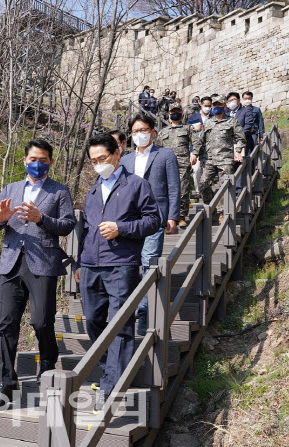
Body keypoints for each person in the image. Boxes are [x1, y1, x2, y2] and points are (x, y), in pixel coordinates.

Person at [74, 133, 161, 411]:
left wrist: (121, 229)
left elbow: (153, 221)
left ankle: (111, 386)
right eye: (93, 161)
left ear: (117, 154)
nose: (98, 164)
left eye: (102, 158)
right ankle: (109, 366)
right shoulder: (92, 191)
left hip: (122, 263)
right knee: (93, 321)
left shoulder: (137, 185)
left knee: (121, 324)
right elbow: (85, 231)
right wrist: (79, 263)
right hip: (90, 265)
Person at [0, 139, 76, 408]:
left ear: (50, 162)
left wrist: (41, 219)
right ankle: (5, 384)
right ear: (25, 160)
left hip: (44, 263)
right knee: (5, 324)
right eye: (33, 159)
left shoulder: (59, 192)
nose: (38, 164)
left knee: (41, 321)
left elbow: (68, 225)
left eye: (44, 160)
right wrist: (1, 219)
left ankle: (47, 358)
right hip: (12, 262)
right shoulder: (11, 188)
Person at [120, 113, 180, 336]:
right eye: (135, 131)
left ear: (153, 131)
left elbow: (174, 187)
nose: (139, 134)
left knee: (148, 261)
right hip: (128, 220)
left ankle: (143, 313)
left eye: (143, 130)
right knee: (130, 263)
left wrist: (173, 215)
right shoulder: (125, 160)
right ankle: (132, 309)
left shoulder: (165, 155)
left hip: (155, 217)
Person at [193, 95, 246, 222]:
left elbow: (241, 138)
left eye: (219, 105)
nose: (216, 107)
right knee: (202, 184)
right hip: (210, 159)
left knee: (225, 186)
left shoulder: (232, 121)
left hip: (225, 159)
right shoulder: (209, 122)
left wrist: (238, 151)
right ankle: (212, 205)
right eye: (215, 105)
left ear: (224, 106)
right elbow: (201, 141)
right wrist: (195, 153)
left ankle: (223, 212)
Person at [156, 104, 201, 229]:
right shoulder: (164, 131)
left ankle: (181, 216)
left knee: (183, 190)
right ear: (169, 115)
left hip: (182, 164)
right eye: (172, 112)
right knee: (165, 191)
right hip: (166, 165)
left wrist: (195, 154)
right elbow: (157, 147)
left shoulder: (187, 128)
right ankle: (167, 216)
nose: (175, 114)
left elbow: (196, 142)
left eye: (177, 112)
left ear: (181, 114)